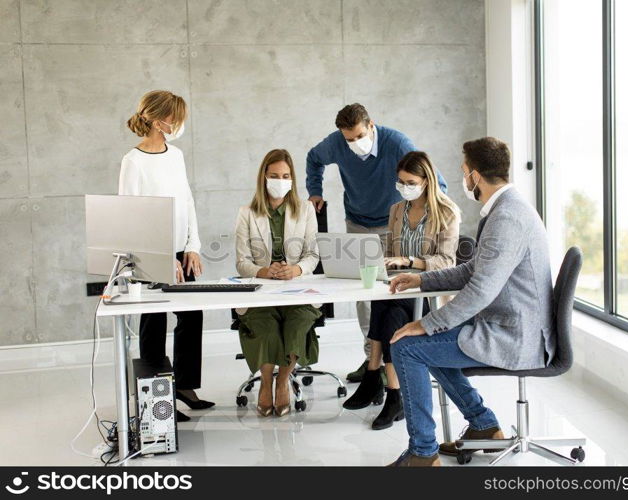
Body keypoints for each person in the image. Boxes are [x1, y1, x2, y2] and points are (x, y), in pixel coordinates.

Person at [385, 137, 557, 466]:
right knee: (423, 342)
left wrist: (426, 322)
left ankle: (422, 456)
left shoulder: (507, 218)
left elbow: (481, 290)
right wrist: (421, 278)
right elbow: (473, 269)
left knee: (407, 346)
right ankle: (483, 425)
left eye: (465, 171)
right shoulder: (507, 209)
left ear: (475, 176)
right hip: (509, 323)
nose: (463, 179)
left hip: (516, 336)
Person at [306, 103, 448, 382]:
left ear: (372, 125)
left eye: (359, 136)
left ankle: (397, 359)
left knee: (393, 293)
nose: (354, 144)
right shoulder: (336, 143)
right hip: (358, 222)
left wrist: (428, 219)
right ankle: (372, 358)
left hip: (393, 223)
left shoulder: (397, 143)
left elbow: (434, 181)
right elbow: (314, 158)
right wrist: (315, 190)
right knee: (365, 293)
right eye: (349, 140)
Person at [342, 151, 460, 431]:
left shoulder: (447, 212)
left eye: (410, 182)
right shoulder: (397, 210)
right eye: (400, 181)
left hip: (427, 293)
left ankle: (377, 380)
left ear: (427, 181)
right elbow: (388, 252)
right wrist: (374, 260)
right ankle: (391, 393)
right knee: (386, 306)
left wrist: (410, 262)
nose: (404, 186)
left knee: (389, 311)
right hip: (399, 287)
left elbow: (447, 261)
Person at [119, 90, 214, 422]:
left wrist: (192, 246)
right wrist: (159, 255)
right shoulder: (133, 161)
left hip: (180, 251)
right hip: (151, 254)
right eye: (178, 117)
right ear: (161, 120)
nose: (182, 123)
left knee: (191, 316)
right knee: (154, 322)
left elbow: (186, 201)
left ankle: (185, 386)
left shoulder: (175, 155)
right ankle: (158, 401)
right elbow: (131, 216)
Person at [235, 149, 322, 417]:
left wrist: (295, 269)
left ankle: (282, 381)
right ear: (264, 177)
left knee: (296, 324)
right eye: (274, 175)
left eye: (286, 176)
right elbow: (241, 262)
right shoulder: (247, 212)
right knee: (266, 326)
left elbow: (313, 254)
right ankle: (264, 383)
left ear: (292, 179)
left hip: (297, 288)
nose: (280, 180)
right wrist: (264, 271)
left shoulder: (305, 209)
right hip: (261, 289)